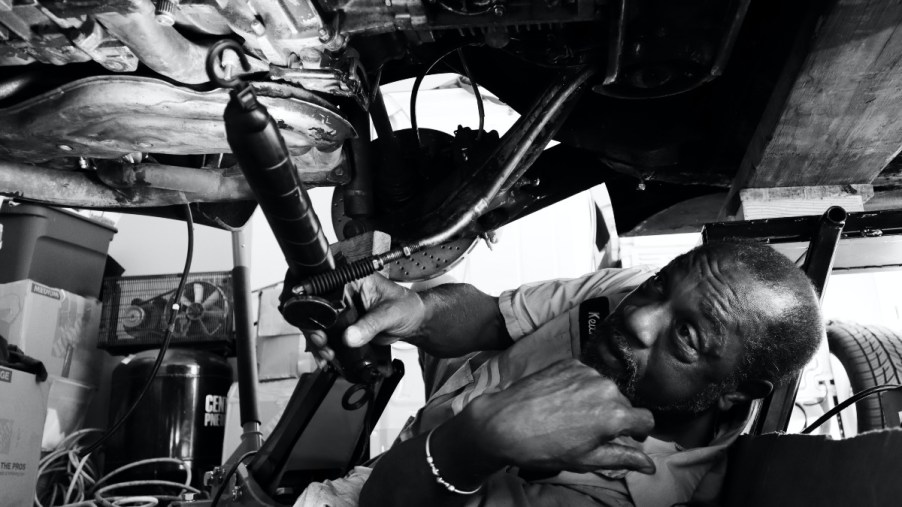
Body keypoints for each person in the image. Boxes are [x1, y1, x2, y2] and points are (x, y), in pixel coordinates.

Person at [299, 240, 824, 507]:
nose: (639, 319)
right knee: (377, 276)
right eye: (660, 289)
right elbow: (489, 317)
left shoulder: (623, 495)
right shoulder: (633, 289)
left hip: (411, 480)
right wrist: (416, 312)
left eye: (686, 336)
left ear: (736, 393)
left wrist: (475, 442)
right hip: (455, 392)